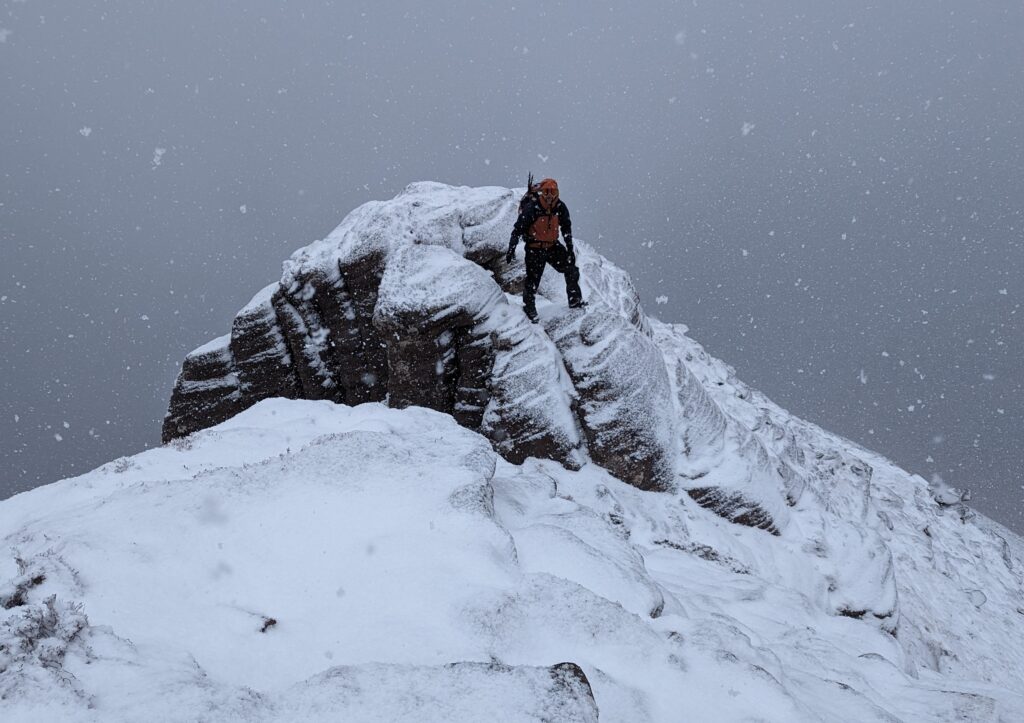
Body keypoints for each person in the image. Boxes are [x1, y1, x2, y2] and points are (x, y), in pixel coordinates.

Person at [506, 177, 585, 323]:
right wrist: (511, 247)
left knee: (571, 270)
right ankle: (529, 308)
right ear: (542, 192)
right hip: (534, 249)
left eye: (553, 191)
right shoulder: (533, 208)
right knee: (533, 280)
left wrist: (569, 248)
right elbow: (518, 228)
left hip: (552, 246)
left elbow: (566, 227)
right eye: (547, 192)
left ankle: (575, 301)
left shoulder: (560, 207)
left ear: (557, 192)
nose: (550, 195)